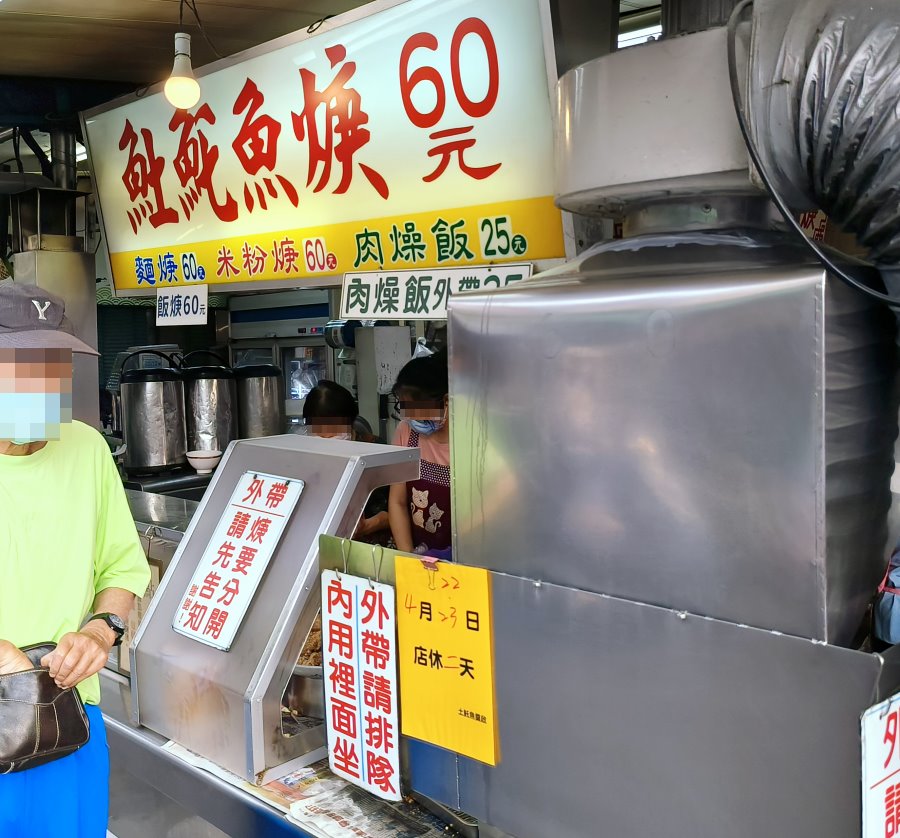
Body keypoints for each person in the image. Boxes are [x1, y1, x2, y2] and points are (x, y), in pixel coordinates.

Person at [0, 281, 151, 837]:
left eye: (54, 365)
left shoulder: (86, 447)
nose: (43, 387)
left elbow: (121, 567)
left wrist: (100, 630)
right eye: (23, 368)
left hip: (67, 718)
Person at [303, 380, 390, 542]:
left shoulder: (376, 451)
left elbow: (397, 509)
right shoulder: (304, 454)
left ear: (351, 422)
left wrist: (369, 525)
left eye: (334, 430)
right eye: (318, 431)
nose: (326, 437)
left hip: (369, 544)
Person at [388, 349, 452, 559]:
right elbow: (397, 502)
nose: (412, 418)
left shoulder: (469, 443)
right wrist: (408, 558)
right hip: (417, 548)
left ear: (446, 401)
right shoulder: (406, 432)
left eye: (418, 410)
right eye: (406, 409)